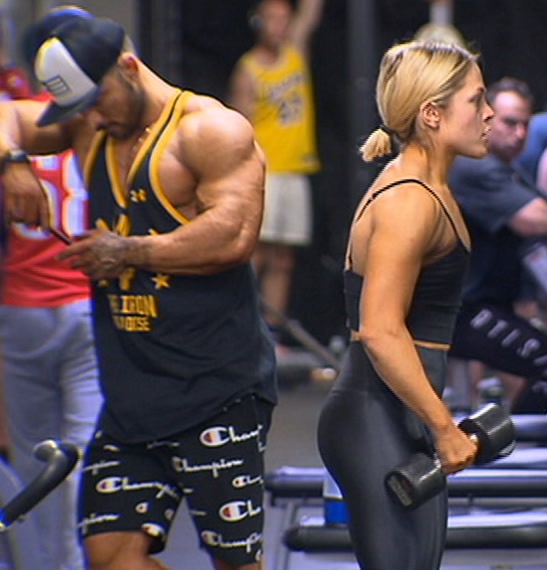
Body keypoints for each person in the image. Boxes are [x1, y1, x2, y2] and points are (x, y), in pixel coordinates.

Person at [0, 16, 277, 570]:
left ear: (128, 67)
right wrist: (12, 164)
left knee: (234, 562)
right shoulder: (91, 124)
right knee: (110, 557)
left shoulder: (209, 130)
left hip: (215, 389)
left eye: (98, 101)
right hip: (131, 396)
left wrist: (128, 252)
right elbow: (6, 114)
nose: (92, 118)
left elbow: (234, 236)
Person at [316, 40, 492, 570]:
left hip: (400, 415)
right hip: (373, 415)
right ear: (432, 115)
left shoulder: (430, 189)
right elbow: (380, 331)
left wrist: (435, 422)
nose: (489, 114)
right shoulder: (410, 200)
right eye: (477, 101)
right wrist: (443, 426)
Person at [0, 7, 101, 570]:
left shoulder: (19, 121)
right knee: (83, 456)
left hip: (23, 308)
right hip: (85, 305)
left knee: (41, 464)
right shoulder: (97, 121)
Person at [448, 77, 547, 414]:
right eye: (509, 122)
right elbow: (531, 218)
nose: (520, 134)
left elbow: (543, 207)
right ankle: (518, 450)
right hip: (462, 312)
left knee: (546, 364)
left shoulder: (506, 170)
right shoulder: (476, 166)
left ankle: (513, 444)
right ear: (485, 118)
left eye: (526, 124)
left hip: (490, 307)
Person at [229, 0, 323, 348]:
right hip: (265, 170)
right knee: (258, 253)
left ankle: (273, 332)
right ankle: (243, 325)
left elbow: (310, 13)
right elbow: (241, 126)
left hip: (295, 169)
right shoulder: (249, 69)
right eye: (273, 20)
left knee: (284, 257)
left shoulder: (295, 54)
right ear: (259, 23)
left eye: (284, 20)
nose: (280, 27)